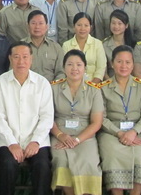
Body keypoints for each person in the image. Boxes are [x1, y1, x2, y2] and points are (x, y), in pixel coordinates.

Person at [0, 42, 53, 195]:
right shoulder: (0, 83)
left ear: (31, 59)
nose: (21, 61)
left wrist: (36, 140)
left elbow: (47, 116)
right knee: (8, 165)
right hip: (7, 140)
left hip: (36, 140)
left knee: (42, 166)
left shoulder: (42, 83)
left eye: (25, 57)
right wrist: (12, 143)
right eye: (16, 57)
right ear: (10, 59)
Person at [98, 45, 141, 195]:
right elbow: (101, 118)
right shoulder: (103, 88)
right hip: (111, 133)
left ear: (132, 63)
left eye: (128, 62)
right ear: (112, 63)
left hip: (137, 131)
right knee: (112, 156)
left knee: (140, 156)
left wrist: (133, 132)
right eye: (119, 62)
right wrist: (119, 133)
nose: (124, 66)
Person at [49, 49, 103, 195]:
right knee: (61, 161)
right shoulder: (54, 88)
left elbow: (96, 122)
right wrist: (61, 136)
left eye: (78, 65)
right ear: (64, 67)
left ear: (84, 67)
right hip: (60, 134)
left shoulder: (94, 90)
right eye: (70, 64)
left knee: (89, 162)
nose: (74, 68)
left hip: (85, 136)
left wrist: (77, 139)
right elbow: (48, 117)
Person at [62, 13, 106, 83]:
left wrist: (92, 85)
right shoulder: (66, 45)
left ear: (90, 27)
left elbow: (101, 67)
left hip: (94, 84)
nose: (82, 28)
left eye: (86, 25)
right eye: (79, 25)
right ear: (74, 26)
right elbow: (65, 68)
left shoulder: (97, 43)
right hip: (73, 84)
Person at [23, 10, 65, 82]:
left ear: (46, 27)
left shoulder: (56, 48)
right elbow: (14, 71)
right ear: (28, 26)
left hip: (51, 89)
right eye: (33, 23)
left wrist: (53, 87)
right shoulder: (20, 47)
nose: (37, 27)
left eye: (41, 23)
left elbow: (61, 72)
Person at [102, 10, 136, 78]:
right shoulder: (104, 45)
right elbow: (104, 72)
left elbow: (135, 70)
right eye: (113, 23)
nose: (116, 26)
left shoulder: (134, 45)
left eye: (119, 23)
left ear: (126, 25)